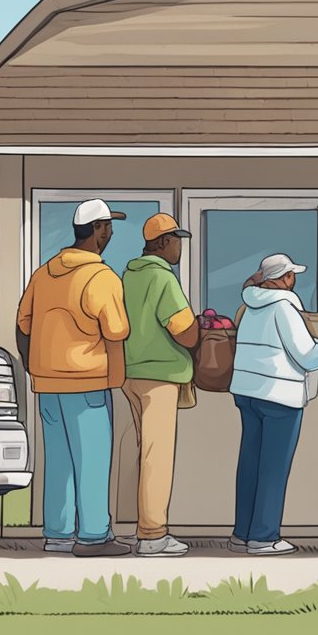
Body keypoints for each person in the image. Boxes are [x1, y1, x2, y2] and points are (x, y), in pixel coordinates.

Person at [16, 199, 131, 557]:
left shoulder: (44, 273)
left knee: (60, 461)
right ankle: (94, 535)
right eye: (108, 226)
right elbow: (116, 331)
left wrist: (36, 366)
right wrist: (116, 378)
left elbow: (23, 325)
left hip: (48, 385)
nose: (111, 232)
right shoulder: (101, 277)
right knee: (92, 460)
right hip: (87, 383)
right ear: (96, 230)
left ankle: (58, 534)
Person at [229, 254, 318, 556]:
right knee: (274, 468)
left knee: (250, 463)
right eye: (292, 274)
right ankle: (264, 536)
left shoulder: (250, 305)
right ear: (286, 278)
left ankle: (242, 533)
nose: (294, 280)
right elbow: (307, 355)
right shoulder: (285, 307)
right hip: (278, 395)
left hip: (247, 392)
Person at [119, 214, 199, 558]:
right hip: (160, 378)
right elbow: (185, 330)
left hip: (129, 375)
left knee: (143, 452)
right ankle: (152, 535)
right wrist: (198, 333)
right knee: (158, 457)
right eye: (176, 239)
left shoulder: (129, 276)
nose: (180, 246)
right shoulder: (162, 279)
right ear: (163, 242)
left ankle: (144, 528)